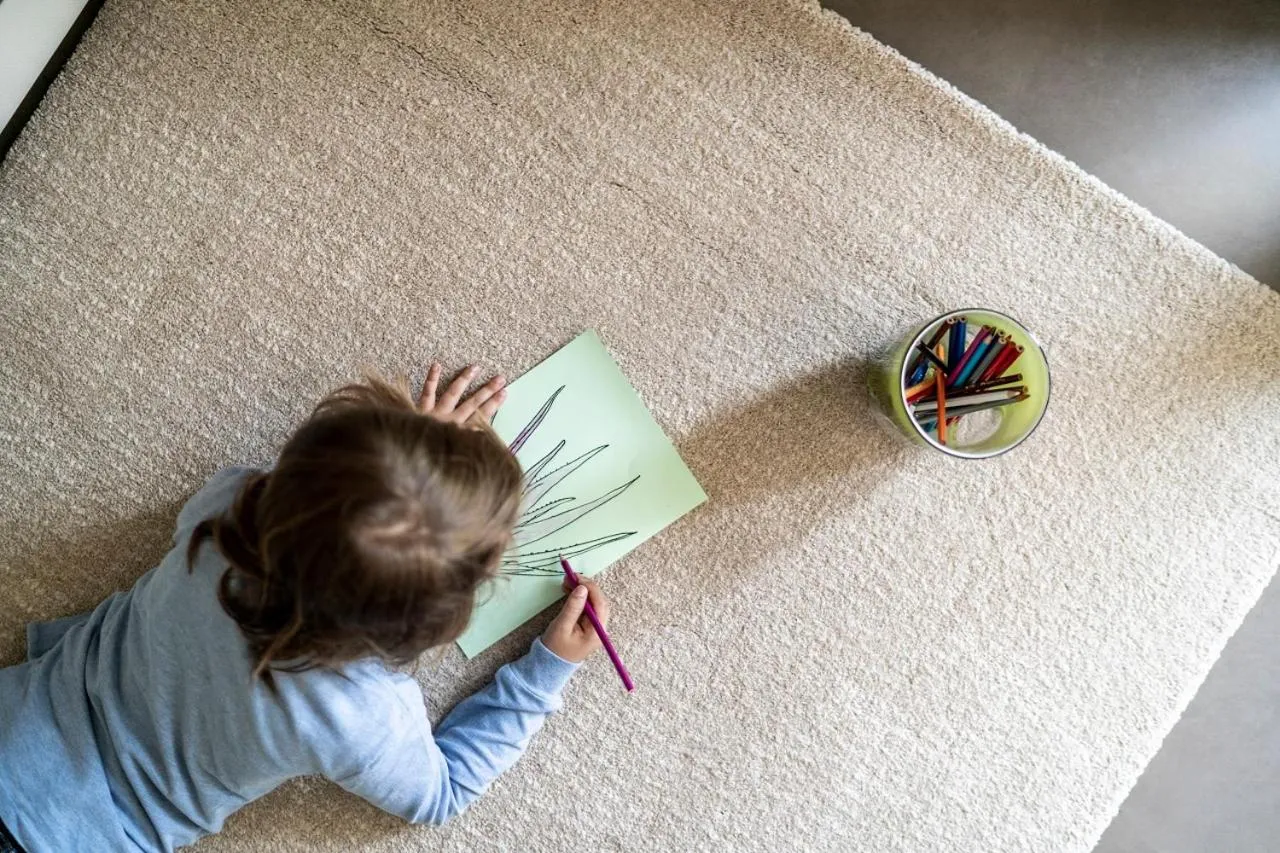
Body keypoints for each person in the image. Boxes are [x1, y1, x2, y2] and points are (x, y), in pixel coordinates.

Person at [0, 363, 612, 853]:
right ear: (426, 626)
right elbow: (441, 795)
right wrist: (547, 669)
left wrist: (409, 456)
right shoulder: (358, 717)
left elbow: (317, 498)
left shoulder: (225, 514)